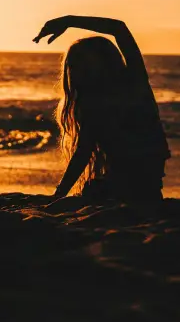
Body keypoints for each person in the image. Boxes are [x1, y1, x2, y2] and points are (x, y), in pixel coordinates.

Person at [34, 15, 170, 204]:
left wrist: (69, 20)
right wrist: (60, 194)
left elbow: (119, 28)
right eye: (74, 66)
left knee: (94, 190)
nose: (76, 71)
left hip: (137, 177)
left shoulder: (132, 83)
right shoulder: (113, 92)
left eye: (81, 64)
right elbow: (84, 150)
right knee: (95, 189)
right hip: (145, 178)